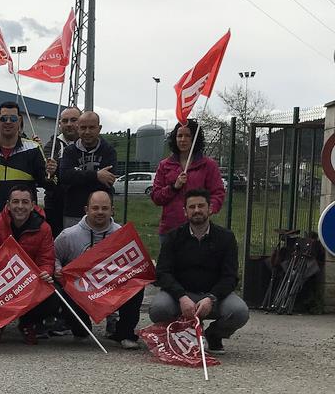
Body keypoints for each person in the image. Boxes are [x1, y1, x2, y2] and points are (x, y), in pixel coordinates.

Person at [149, 189, 248, 354]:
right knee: (159, 308)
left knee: (239, 311)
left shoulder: (226, 238)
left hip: (214, 297)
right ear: (185, 212)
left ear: (210, 209)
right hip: (181, 296)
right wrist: (181, 296)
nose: (196, 210)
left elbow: (230, 277)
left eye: (201, 206)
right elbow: (163, 273)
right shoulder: (173, 237)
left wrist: (211, 298)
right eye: (192, 207)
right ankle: (181, 335)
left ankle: (214, 334)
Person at [54, 190, 143, 349]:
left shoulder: (122, 234)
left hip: (112, 288)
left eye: (104, 208)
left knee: (137, 284)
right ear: (86, 210)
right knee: (59, 290)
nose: (100, 212)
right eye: (95, 208)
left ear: (112, 210)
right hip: (81, 292)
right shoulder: (68, 235)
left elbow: (135, 265)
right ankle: (80, 328)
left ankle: (125, 333)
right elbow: (53, 256)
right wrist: (58, 268)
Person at [0, 185, 56, 345]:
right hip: (0, 281)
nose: (20, 207)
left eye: (25, 202)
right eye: (15, 202)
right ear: (8, 204)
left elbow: (46, 260)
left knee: (52, 295)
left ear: (33, 205)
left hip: (28, 282)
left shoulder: (44, 228)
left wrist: (46, 272)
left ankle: (27, 323)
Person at [151, 120, 225, 241]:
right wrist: (174, 187)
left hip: (199, 229)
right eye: (179, 135)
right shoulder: (165, 165)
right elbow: (156, 197)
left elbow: (218, 193)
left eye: (187, 135)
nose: (183, 139)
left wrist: (208, 209)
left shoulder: (208, 165)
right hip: (170, 230)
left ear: (195, 138)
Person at [0, 101, 50, 223]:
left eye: (12, 118)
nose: (8, 122)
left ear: (19, 120)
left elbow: (47, 183)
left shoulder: (33, 149)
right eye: (3, 118)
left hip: (25, 224)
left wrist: (52, 173)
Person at [57, 111, 117, 229]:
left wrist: (78, 175)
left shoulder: (109, 151)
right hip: (73, 212)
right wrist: (96, 175)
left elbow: (108, 180)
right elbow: (64, 176)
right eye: (83, 128)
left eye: (91, 127)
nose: (87, 132)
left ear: (99, 128)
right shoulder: (70, 151)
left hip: (101, 213)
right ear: (78, 128)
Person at [43, 106, 81, 236]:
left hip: (82, 206)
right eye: (65, 121)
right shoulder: (51, 146)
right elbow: (45, 179)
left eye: (73, 120)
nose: (69, 124)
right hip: (56, 207)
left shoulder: (88, 145)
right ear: (59, 124)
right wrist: (50, 174)